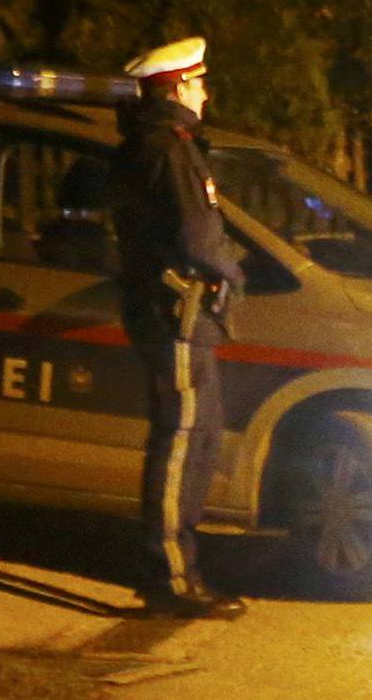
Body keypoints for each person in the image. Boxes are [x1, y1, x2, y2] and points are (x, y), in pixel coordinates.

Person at [111, 36, 248, 619]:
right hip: (178, 317)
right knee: (181, 445)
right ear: (178, 88)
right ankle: (169, 575)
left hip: (181, 316)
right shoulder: (169, 148)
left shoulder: (167, 145)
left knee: (197, 439)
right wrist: (232, 270)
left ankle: (178, 569)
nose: (206, 92)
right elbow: (197, 237)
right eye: (199, 82)